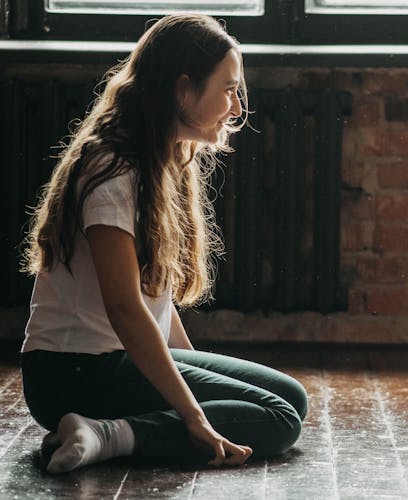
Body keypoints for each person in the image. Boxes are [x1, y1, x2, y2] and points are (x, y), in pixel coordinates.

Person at [20, 14, 307, 474]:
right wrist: (193, 414)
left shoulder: (159, 156)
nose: (236, 108)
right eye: (228, 89)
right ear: (182, 90)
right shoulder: (112, 168)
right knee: (279, 419)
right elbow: (125, 309)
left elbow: (154, 298)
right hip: (72, 374)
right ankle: (107, 434)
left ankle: (104, 428)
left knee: (292, 398)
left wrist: (196, 376)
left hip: (111, 360)